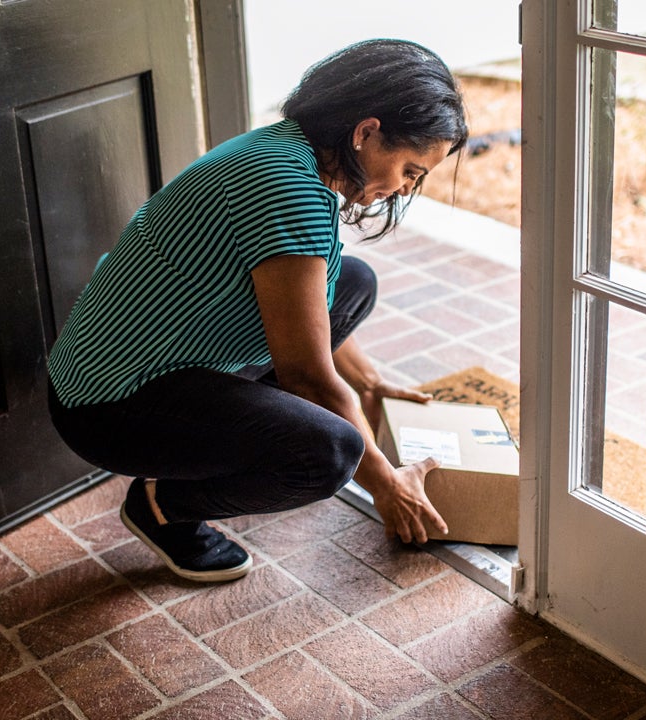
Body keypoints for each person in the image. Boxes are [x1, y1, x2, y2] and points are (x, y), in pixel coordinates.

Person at [47, 39, 469, 582]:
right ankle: (163, 506)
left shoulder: (285, 148)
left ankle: (247, 430)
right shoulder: (288, 189)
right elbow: (309, 377)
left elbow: (311, 310)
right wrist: (388, 486)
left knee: (353, 283)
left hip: (147, 358)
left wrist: (369, 382)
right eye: (411, 169)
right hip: (106, 406)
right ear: (366, 133)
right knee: (328, 454)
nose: (405, 189)